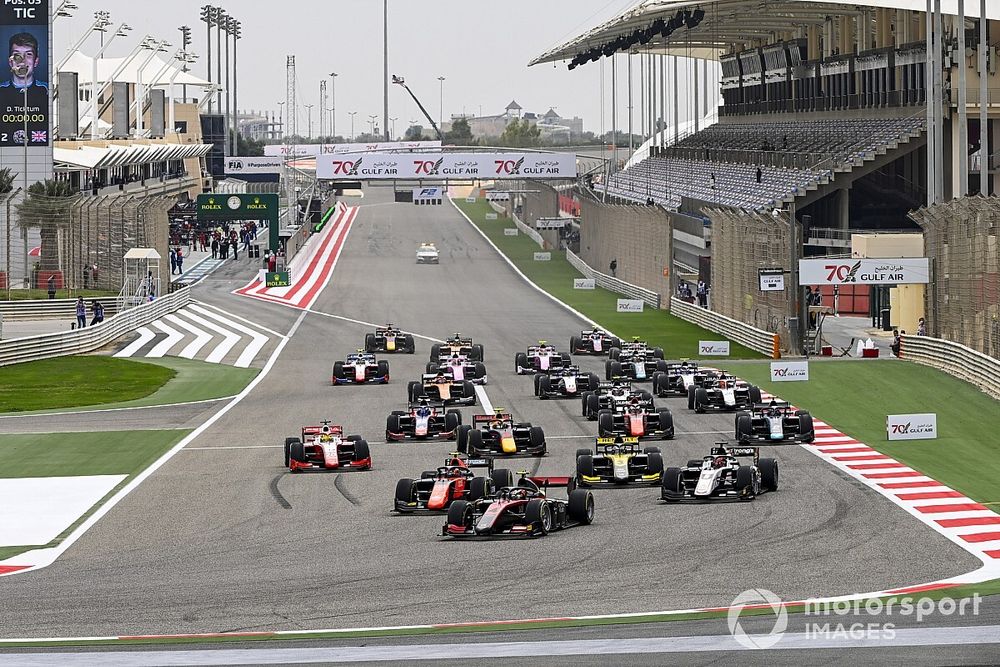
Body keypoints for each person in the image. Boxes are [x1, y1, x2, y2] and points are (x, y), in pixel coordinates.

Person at [0, 33, 49, 147]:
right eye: (17, 55)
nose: (22, 61)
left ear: (36, 61)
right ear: (10, 62)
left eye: (28, 55)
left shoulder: (47, 91)